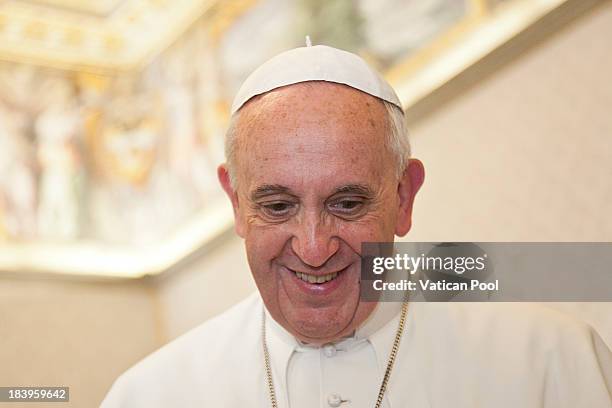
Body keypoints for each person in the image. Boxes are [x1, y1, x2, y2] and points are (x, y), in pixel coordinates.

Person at [101, 44, 612, 407]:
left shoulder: (549, 362)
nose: (314, 247)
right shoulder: (150, 395)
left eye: (346, 203)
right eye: (277, 206)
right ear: (235, 204)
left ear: (403, 197)